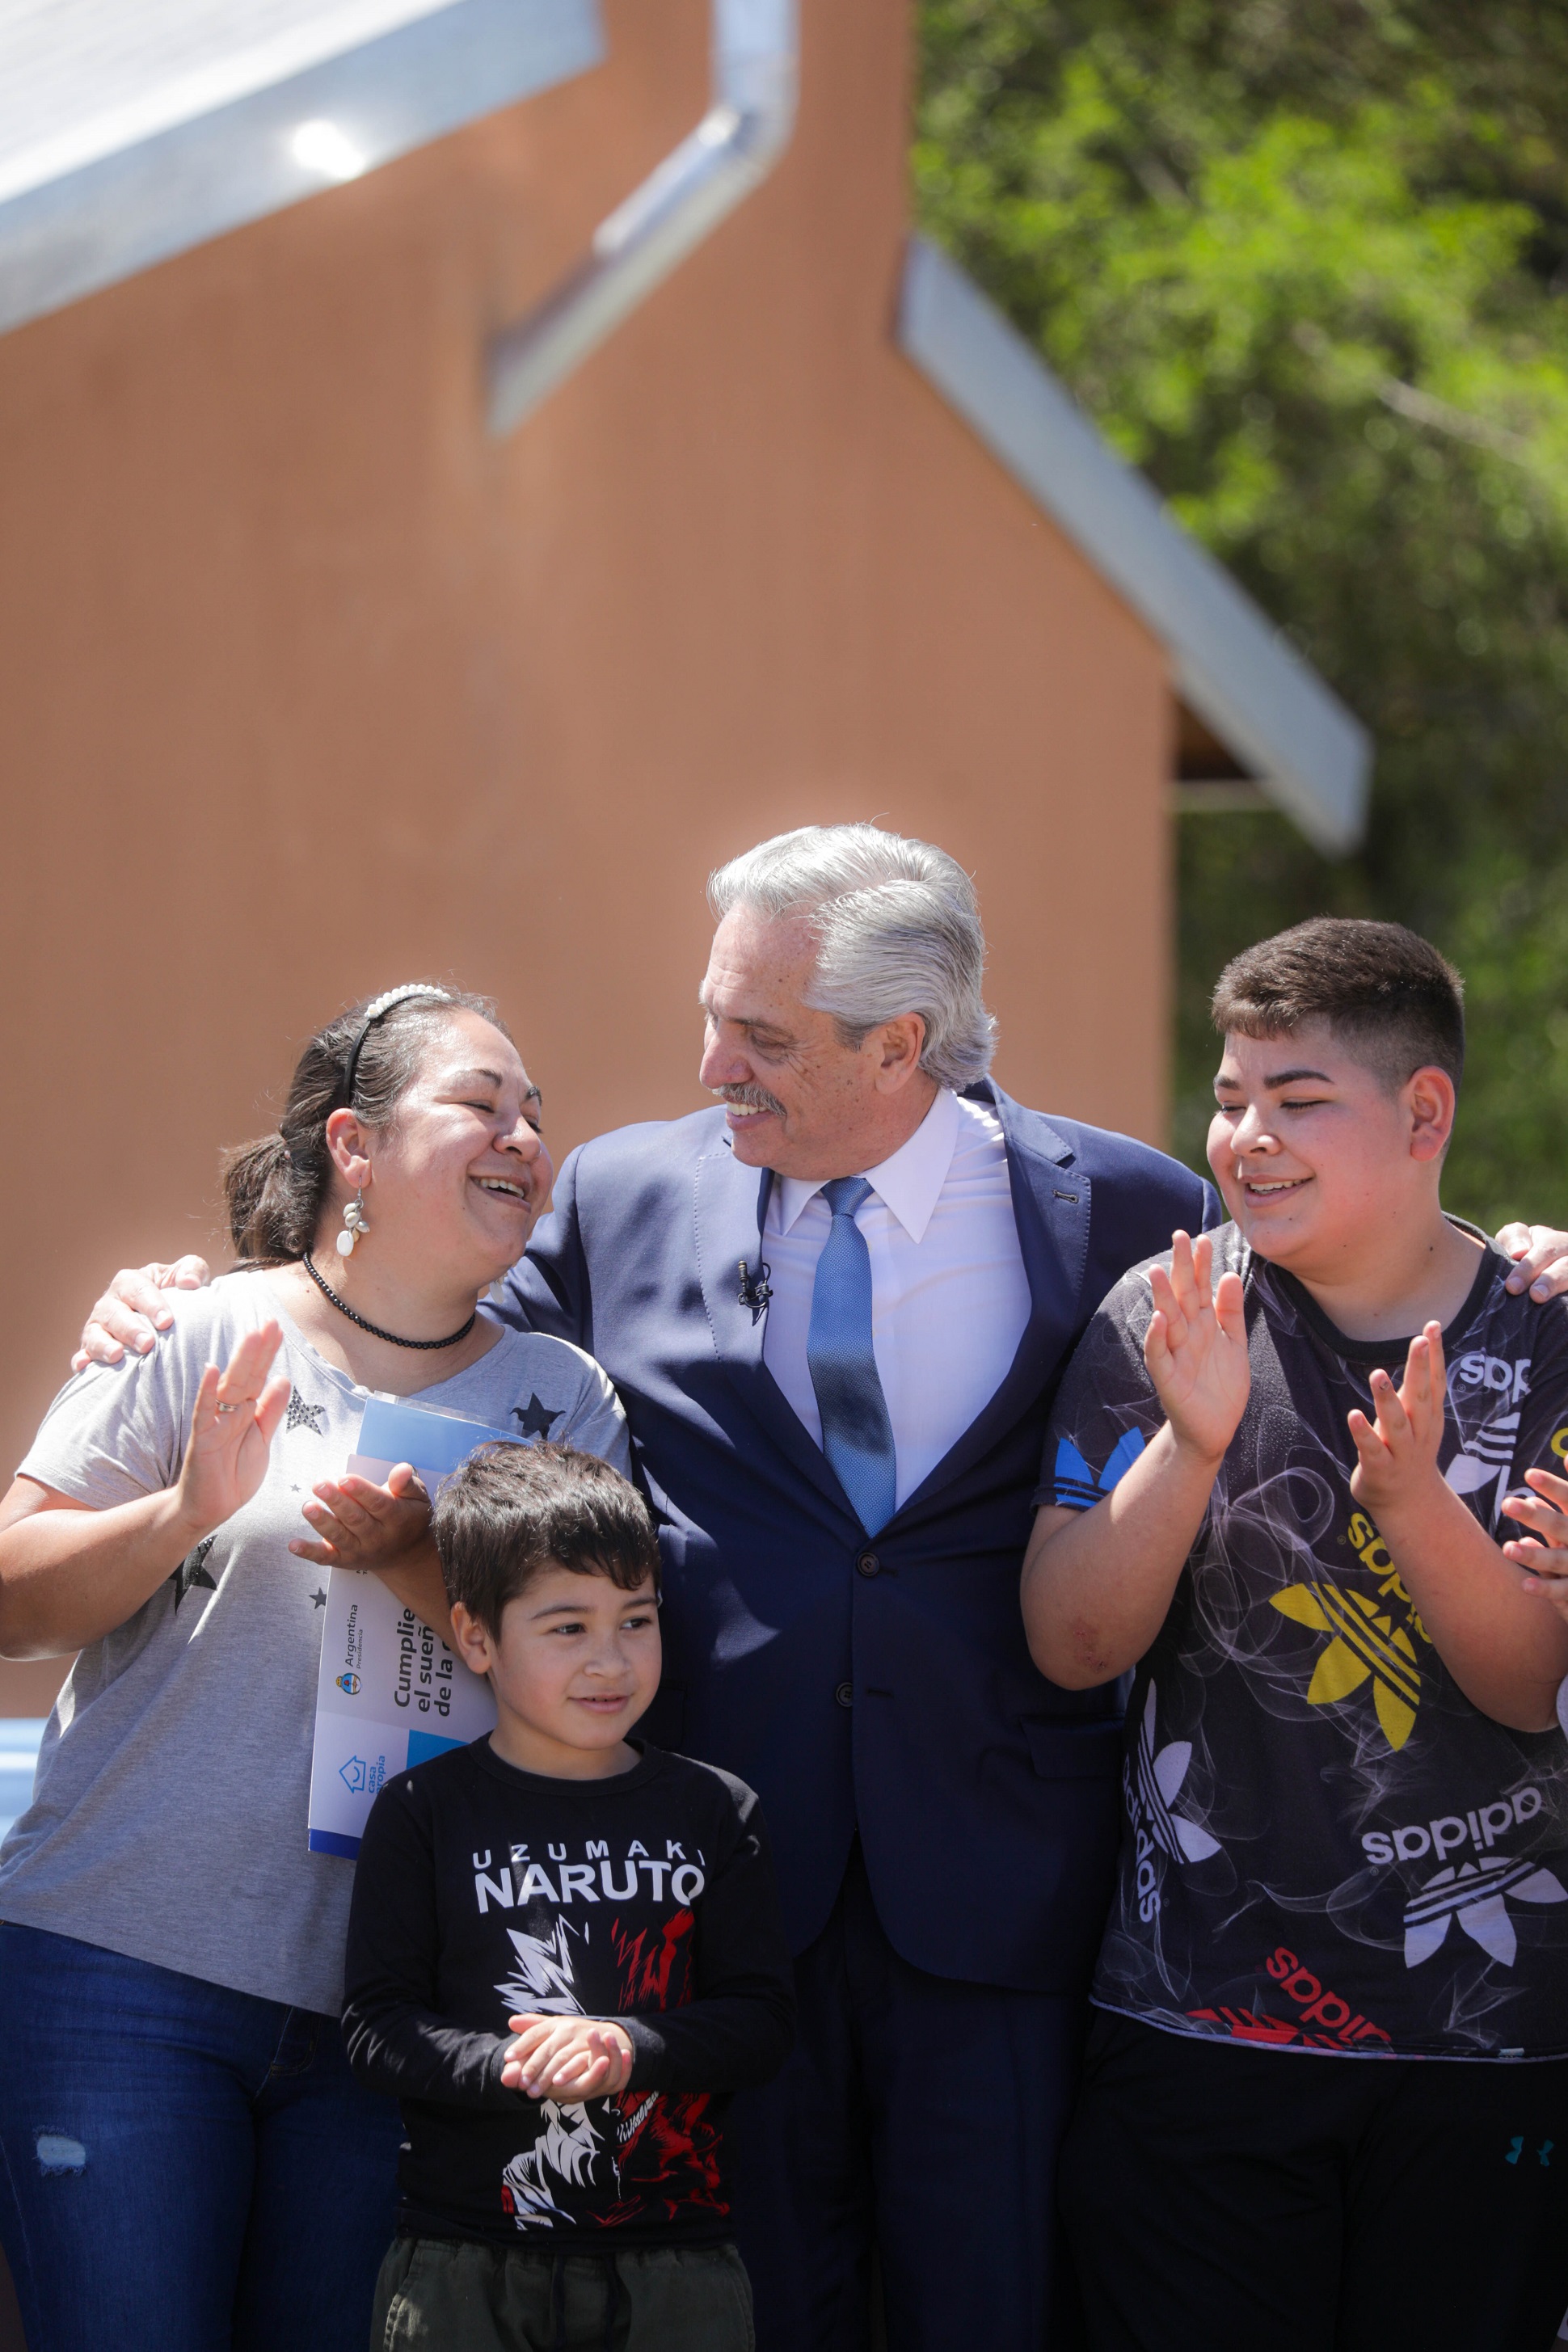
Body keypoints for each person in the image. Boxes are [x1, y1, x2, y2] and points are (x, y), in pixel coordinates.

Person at [75, 831, 1568, 2352]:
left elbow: (1362, 1227)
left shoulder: (1126, 1208)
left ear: (899, 1044)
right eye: (714, 1012)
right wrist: (209, 1287)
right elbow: (410, 1310)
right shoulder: (627, 1193)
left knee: (988, 2310)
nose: (712, 1061)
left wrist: (1523, 1253)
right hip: (712, 1897)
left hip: (1007, 1898)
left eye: (763, 1035)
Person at [0, 983, 630, 2352]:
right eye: (481, 1102)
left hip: (394, 2016)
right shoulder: (202, 1332)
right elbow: (11, 1596)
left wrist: (421, 1556)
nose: (523, 1134)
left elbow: (600, 1683)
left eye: (536, 1114)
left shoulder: (563, 1396)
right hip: (122, 1971)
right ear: (354, 1144)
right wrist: (180, 1514)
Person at [1022, 918, 1568, 2352]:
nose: (1247, 1137)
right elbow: (1072, 1645)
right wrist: (1189, 1447)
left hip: (1489, 2042)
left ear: (1426, 1111)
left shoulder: (1550, 1336)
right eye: (1228, 1096)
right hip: (1198, 2029)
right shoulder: (1162, 1312)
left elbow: (1527, 1685)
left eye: (1298, 1098)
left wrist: (1408, 1502)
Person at [344, 1439, 795, 2351]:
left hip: (678, 2268)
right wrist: (519, 2065)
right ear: (474, 1637)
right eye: (567, 1628)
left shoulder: (713, 1809)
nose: (612, 1661)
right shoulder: (422, 1812)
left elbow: (761, 2019)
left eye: (636, 1620)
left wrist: (629, 2047)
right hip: (462, 2258)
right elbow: (374, 2025)